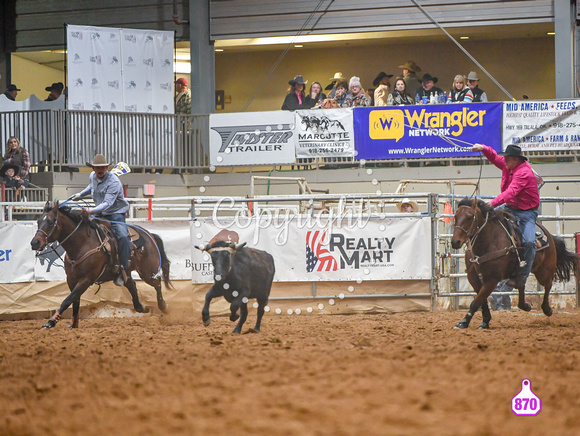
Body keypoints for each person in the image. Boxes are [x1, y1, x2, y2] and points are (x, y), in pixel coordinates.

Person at [472, 143, 539, 292]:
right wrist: (483, 148)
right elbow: (495, 158)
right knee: (488, 221)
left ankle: (522, 276)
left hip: (526, 212)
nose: (504, 160)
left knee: (529, 242)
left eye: (507, 158)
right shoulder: (510, 165)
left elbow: (511, 192)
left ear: (515, 159)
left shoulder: (523, 173)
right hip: (510, 207)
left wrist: (493, 203)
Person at [71, 154, 131, 287]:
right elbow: (91, 187)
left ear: (107, 167)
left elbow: (108, 203)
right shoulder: (92, 177)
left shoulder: (114, 182)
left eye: (103, 167)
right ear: (93, 168)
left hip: (115, 213)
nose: (100, 170)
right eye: (97, 167)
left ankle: (123, 269)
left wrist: (91, 211)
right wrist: (80, 194)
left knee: (122, 236)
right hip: (100, 212)